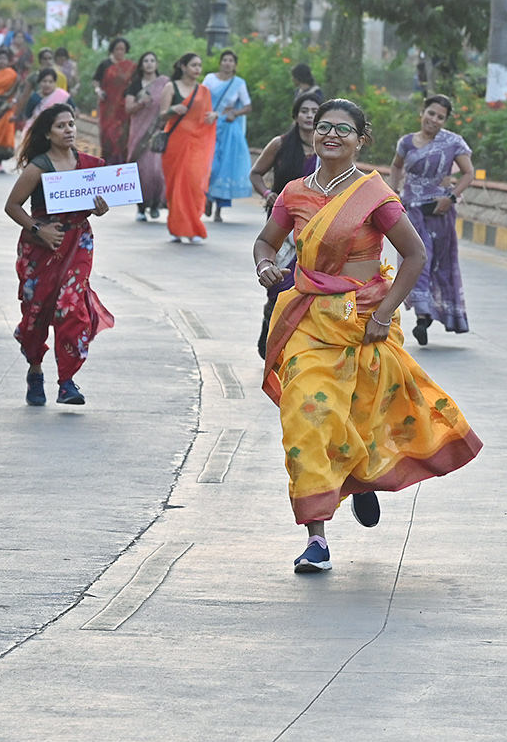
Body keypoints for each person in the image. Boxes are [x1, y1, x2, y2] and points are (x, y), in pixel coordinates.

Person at [253, 98, 483, 573]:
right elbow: (266, 241)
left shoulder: (373, 194)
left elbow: (414, 256)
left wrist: (384, 313)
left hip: (363, 322)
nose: (330, 135)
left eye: (342, 129)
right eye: (323, 127)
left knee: (358, 417)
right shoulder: (294, 192)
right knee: (308, 414)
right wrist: (264, 264)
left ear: (362, 138)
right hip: (308, 321)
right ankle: (316, 537)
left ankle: (358, 481)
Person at [3, 104, 113, 406]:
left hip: (78, 240)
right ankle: (35, 372)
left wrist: (99, 208)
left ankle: (67, 381)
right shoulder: (38, 167)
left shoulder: (89, 165)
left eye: (71, 124)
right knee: (36, 312)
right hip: (42, 246)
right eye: (61, 126)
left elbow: (94, 202)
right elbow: (12, 206)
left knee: (71, 306)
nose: (69, 130)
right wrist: (40, 230)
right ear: (47, 133)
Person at [389, 94, 475, 345]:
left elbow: (469, 173)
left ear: (445, 120)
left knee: (439, 263)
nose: (434, 120)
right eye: (431, 113)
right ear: (422, 112)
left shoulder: (453, 143)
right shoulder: (406, 142)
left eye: (440, 117)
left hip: (439, 212)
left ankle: (430, 315)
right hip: (411, 211)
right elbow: (396, 166)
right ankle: (422, 315)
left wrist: (451, 196)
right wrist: (394, 191)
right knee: (418, 258)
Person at [248, 93, 320, 358]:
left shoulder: (327, 149)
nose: (310, 116)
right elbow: (256, 173)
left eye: (315, 111)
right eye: (305, 111)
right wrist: (267, 194)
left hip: (315, 226)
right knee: (279, 282)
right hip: (282, 224)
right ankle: (270, 324)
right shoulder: (280, 144)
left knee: (304, 282)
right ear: (295, 115)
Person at [158, 52, 217, 244]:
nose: (198, 69)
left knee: (194, 185)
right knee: (176, 186)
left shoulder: (204, 91)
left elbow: (206, 116)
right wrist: (172, 110)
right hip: (176, 143)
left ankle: (194, 227)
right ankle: (177, 227)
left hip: (197, 145)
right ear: (183, 67)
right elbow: (161, 116)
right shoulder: (171, 87)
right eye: (193, 65)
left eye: (199, 65)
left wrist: (212, 116)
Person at [204, 50, 253, 222]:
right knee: (210, 164)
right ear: (220, 62)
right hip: (210, 125)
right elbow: (201, 98)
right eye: (224, 60)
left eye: (231, 60)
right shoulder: (210, 79)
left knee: (226, 167)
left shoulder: (238, 83)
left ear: (235, 65)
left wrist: (236, 112)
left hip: (229, 127)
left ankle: (218, 208)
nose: (227, 63)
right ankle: (207, 196)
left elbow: (248, 106)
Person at [123, 51, 169, 221]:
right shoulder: (135, 86)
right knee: (141, 171)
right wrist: (141, 102)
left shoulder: (164, 84)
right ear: (141, 65)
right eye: (146, 61)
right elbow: (128, 109)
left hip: (158, 131)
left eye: (152, 60)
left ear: (156, 64)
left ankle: (156, 203)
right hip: (139, 134)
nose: (149, 64)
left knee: (157, 171)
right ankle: (141, 207)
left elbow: (170, 104)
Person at [92, 38, 136, 165]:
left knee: (123, 135)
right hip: (108, 106)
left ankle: (121, 163)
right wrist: (98, 90)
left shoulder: (130, 67)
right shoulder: (105, 64)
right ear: (112, 50)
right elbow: (96, 80)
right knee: (108, 134)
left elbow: (134, 83)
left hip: (123, 106)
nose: (120, 52)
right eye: (117, 49)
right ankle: (108, 162)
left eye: (122, 49)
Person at [20, 68, 69, 140]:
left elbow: (73, 111)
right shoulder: (34, 98)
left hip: (55, 135)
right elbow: (27, 116)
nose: (47, 84)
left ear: (55, 83)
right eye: (44, 81)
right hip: (34, 133)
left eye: (50, 82)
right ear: (39, 83)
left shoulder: (61, 96)